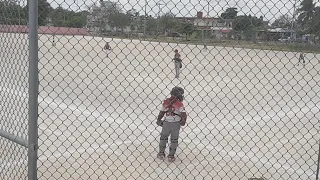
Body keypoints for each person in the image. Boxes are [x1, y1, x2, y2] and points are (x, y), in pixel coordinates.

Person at [156, 86, 187, 162]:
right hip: (176, 124)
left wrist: (159, 119)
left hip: (166, 123)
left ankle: (161, 153)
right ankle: (171, 156)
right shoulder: (180, 104)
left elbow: (162, 112)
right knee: (174, 140)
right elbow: (183, 114)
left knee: (163, 138)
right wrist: (183, 121)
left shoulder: (166, 102)